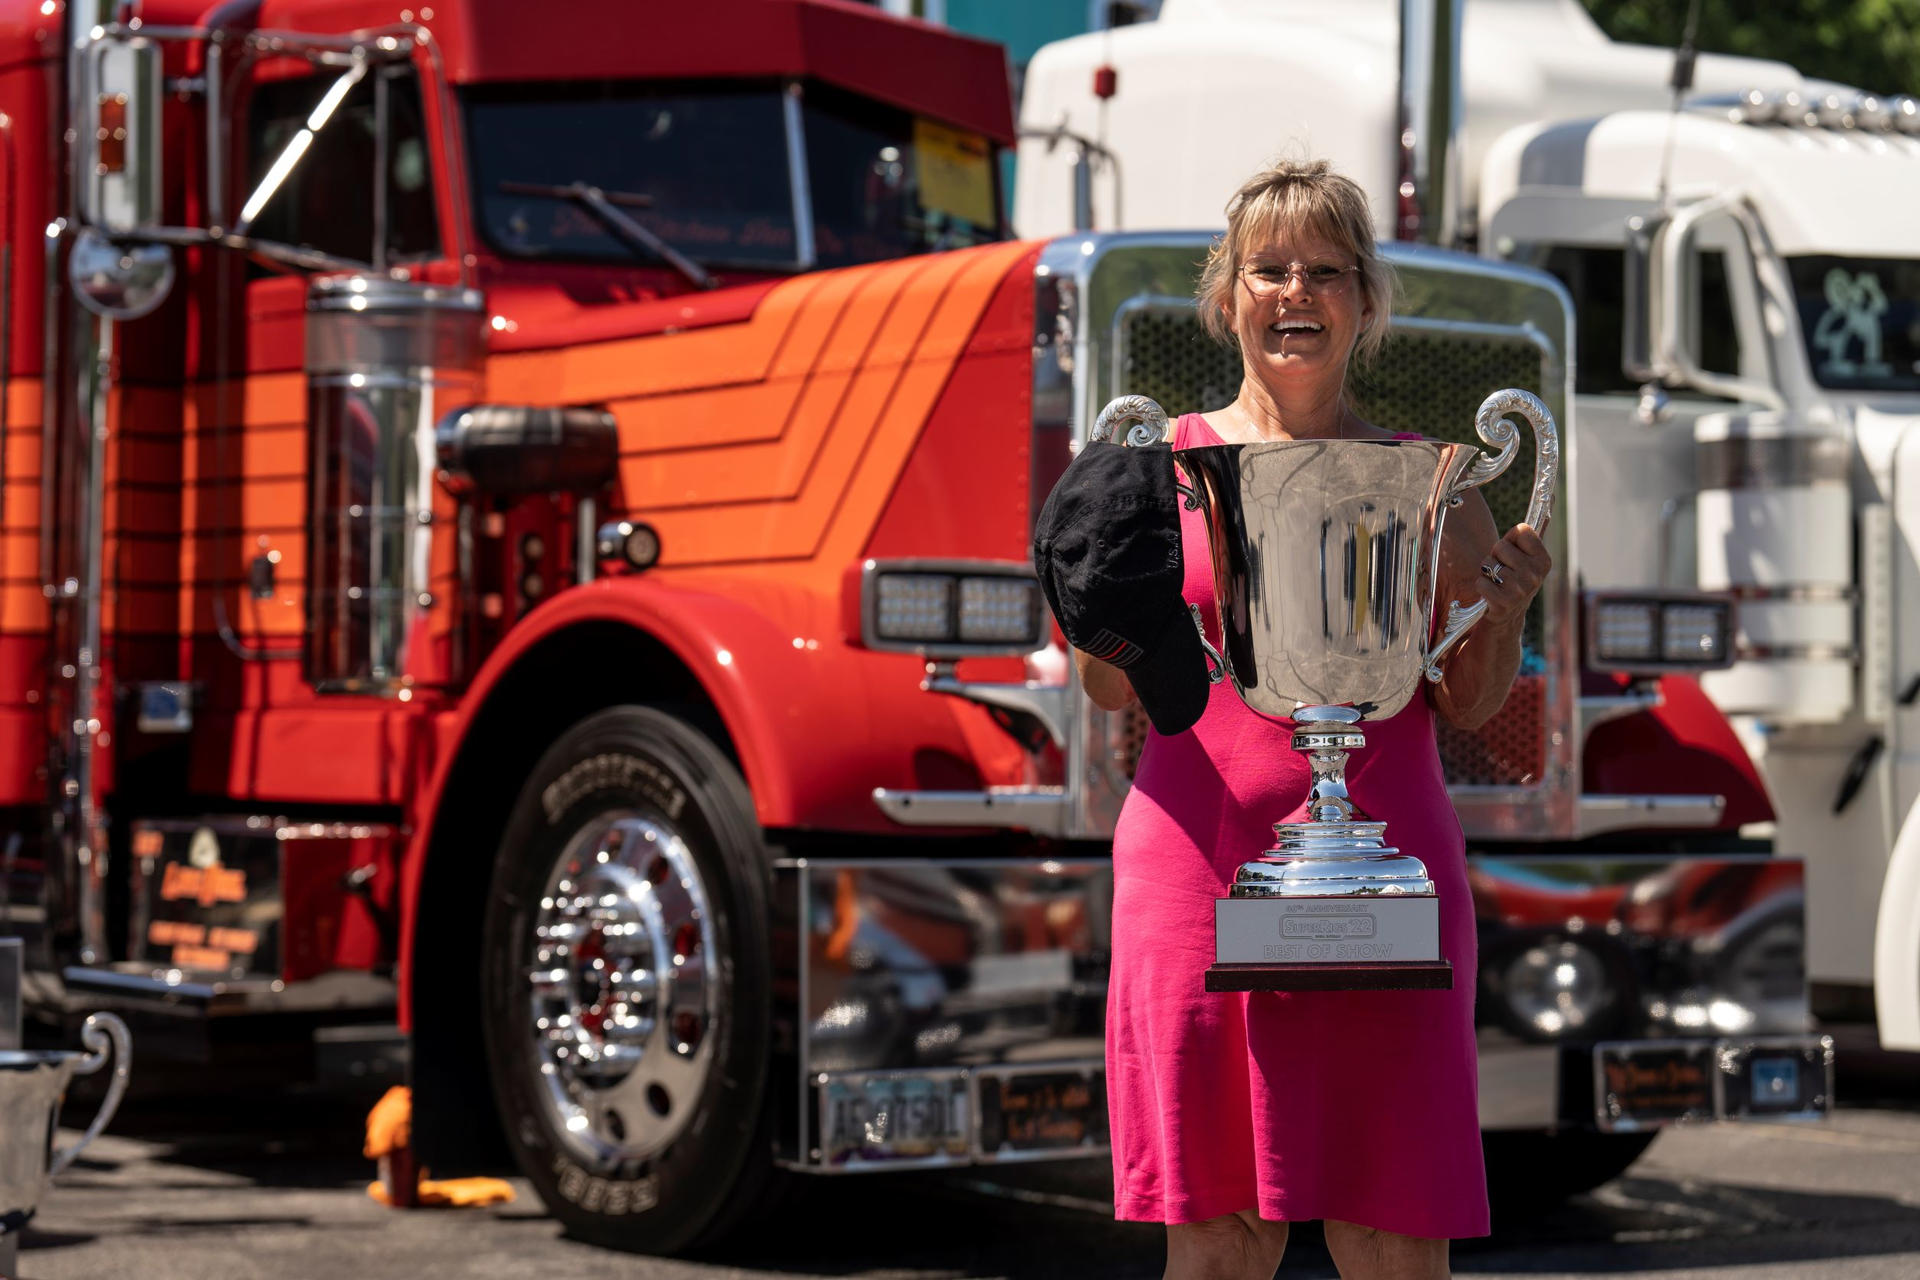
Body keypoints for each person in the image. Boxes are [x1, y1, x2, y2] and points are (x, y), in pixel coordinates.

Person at [1081, 159, 1552, 1280]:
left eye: (1325, 272)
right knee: (1219, 1240)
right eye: (1270, 268)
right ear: (1228, 292)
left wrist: (1504, 610)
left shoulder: (1433, 482)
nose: (1296, 292)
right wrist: (1099, 599)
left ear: (1365, 299)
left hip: (1387, 881)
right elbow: (1109, 694)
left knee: (1394, 1235)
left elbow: (1473, 704)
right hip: (1198, 877)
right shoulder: (1157, 475)